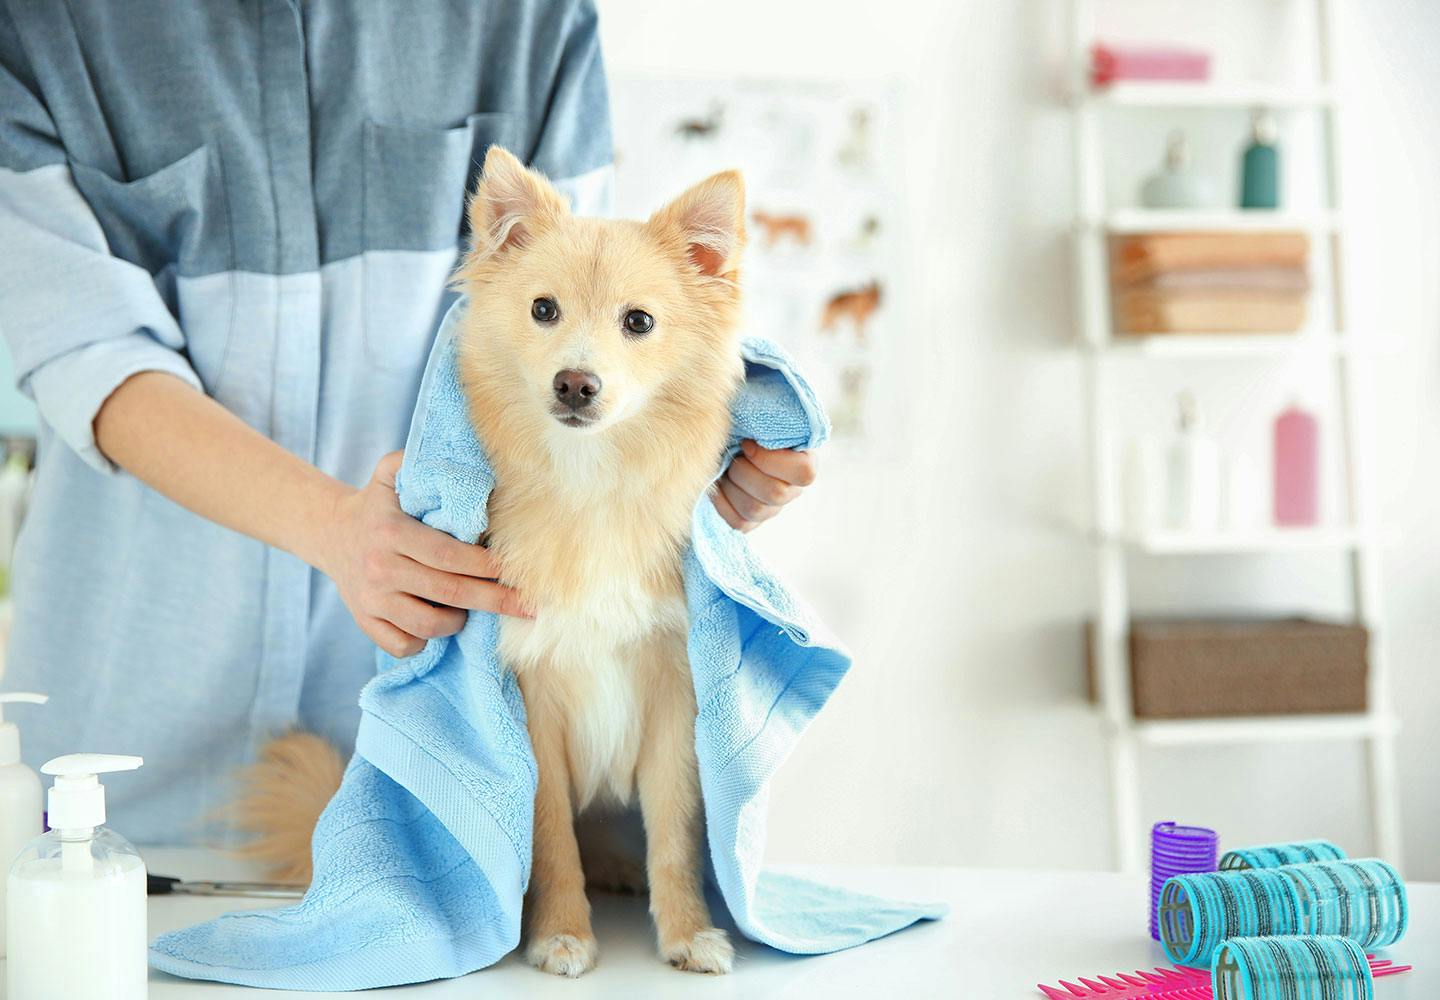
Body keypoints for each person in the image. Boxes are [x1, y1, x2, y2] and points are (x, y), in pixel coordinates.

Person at [0, 1, 817, 845]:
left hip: (440, 767)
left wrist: (700, 477)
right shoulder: (45, 29)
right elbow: (90, 353)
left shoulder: (530, 22)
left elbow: (586, 336)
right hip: (122, 766)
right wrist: (334, 528)